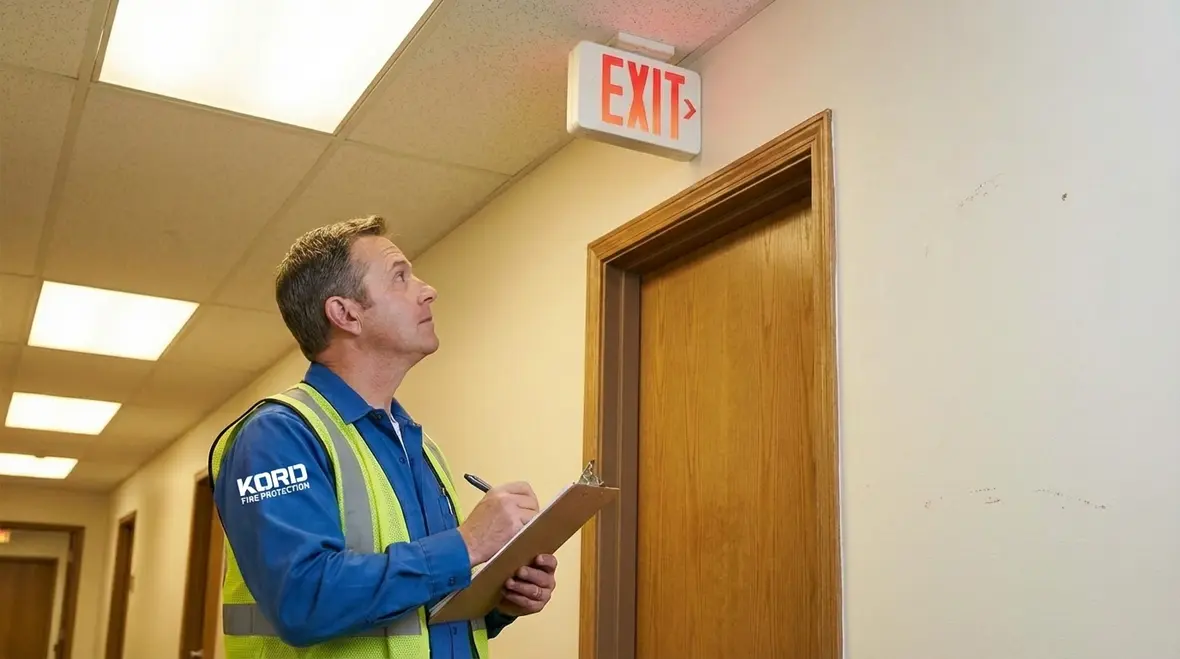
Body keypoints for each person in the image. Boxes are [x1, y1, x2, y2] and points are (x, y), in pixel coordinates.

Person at [208, 215, 557, 659]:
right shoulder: (276, 435)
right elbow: (302, 601)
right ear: (346, 314)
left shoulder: (420, 446)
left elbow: (418, 609)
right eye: (400, 277)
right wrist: (467, 543)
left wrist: (499, 602)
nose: (428, 290)